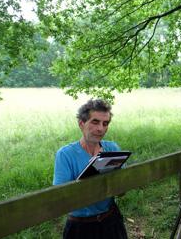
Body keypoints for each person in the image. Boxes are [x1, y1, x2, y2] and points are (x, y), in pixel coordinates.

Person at [53, 99, 128, 239]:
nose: (100, 128)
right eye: (95, 122)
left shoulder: (112, 148)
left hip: (111, 219)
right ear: (81, 124)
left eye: (105, 124)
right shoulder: (65, 155)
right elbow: (60, 198)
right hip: (80, 226)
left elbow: (122, 191)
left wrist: (119, 184)